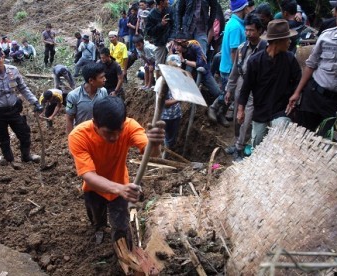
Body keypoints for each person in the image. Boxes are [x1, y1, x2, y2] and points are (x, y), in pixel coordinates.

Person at [68, 96, 165, 247]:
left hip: (120, 185)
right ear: (95, 124)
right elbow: (87, 175)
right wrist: (120, 189)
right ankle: (99, 228)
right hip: (94, 188)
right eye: (108, 132)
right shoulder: (78, 136)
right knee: (96, 216)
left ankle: (121, 248)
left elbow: (151, 153)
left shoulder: (129, 126)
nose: (115, 137)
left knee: (121, 226)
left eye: (119, 130)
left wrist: (156, 144)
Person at [288, 0, 337, 137]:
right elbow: (311, 64)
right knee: (301, 136)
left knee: (326, 144)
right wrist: (297, 92)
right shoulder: (326, 36)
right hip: (313, 95)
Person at [237, 19, 301, 148]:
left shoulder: (289, 59)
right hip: (261, 109)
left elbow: (298, 81)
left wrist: (295, 97)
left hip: (281, 109)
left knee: (279, 137)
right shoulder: (255, 61)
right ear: (278, 41)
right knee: (258, 143)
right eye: (287, 39)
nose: (290, 42)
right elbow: (246, 87)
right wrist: (241, 109)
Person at [0, 48, 43, 167]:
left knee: (24, 133)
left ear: (3, 57)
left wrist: (35, 102)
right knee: (3, 138)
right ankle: (10, 160)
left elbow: (23, 88)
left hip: (14, 110)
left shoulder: (13, 71)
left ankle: (26, 156)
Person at [224, 13, 267, 161]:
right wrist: (229, 89)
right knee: (238, 117)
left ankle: (241, 148)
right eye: (247, 30)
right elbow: (235, 70)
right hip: (241, 85)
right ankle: (237, 142)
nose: (248, 34)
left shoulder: (264, 49)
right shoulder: (242, 48)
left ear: (260, 31)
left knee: (247, 119)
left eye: (252, 30)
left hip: (255, 88)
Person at [212, 0, 250, 128]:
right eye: (248, 7)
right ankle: (215, 108)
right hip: (230, 67)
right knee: (228, 92)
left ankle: (220, 112)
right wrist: (237, 69)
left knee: (229, 92)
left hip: (228, 65)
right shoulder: (235, 27)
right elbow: (234, 50)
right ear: (244, 8)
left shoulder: (235, 24)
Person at [173, 34, 225, 126]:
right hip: (189, 74)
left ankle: (217, 111)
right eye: (175, 44)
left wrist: (184, 60)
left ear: (183, 44)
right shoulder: (175, 51)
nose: (175, 47)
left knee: (218, 93)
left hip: (203, 73)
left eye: (177, 45)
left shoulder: (195, 47)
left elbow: (200, 64)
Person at [66, 63, 108, 134]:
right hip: (82, 134)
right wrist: (71, 139)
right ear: (91, 81)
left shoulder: (103, 92)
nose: (105, 79)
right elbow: (69, 119)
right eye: (101, 77)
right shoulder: (73, 96)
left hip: (99, 133)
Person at [145, 0, 175, 78]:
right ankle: (159, 87)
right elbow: (149, 32)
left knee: (172, 65)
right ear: (161, 2)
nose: (168, 1)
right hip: (159, 43)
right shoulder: (151, 15)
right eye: (166, 0)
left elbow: (174, 26)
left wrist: (172, 38)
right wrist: (161, 25)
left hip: (170, 42)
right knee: (159, 66)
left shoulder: (170, 10)